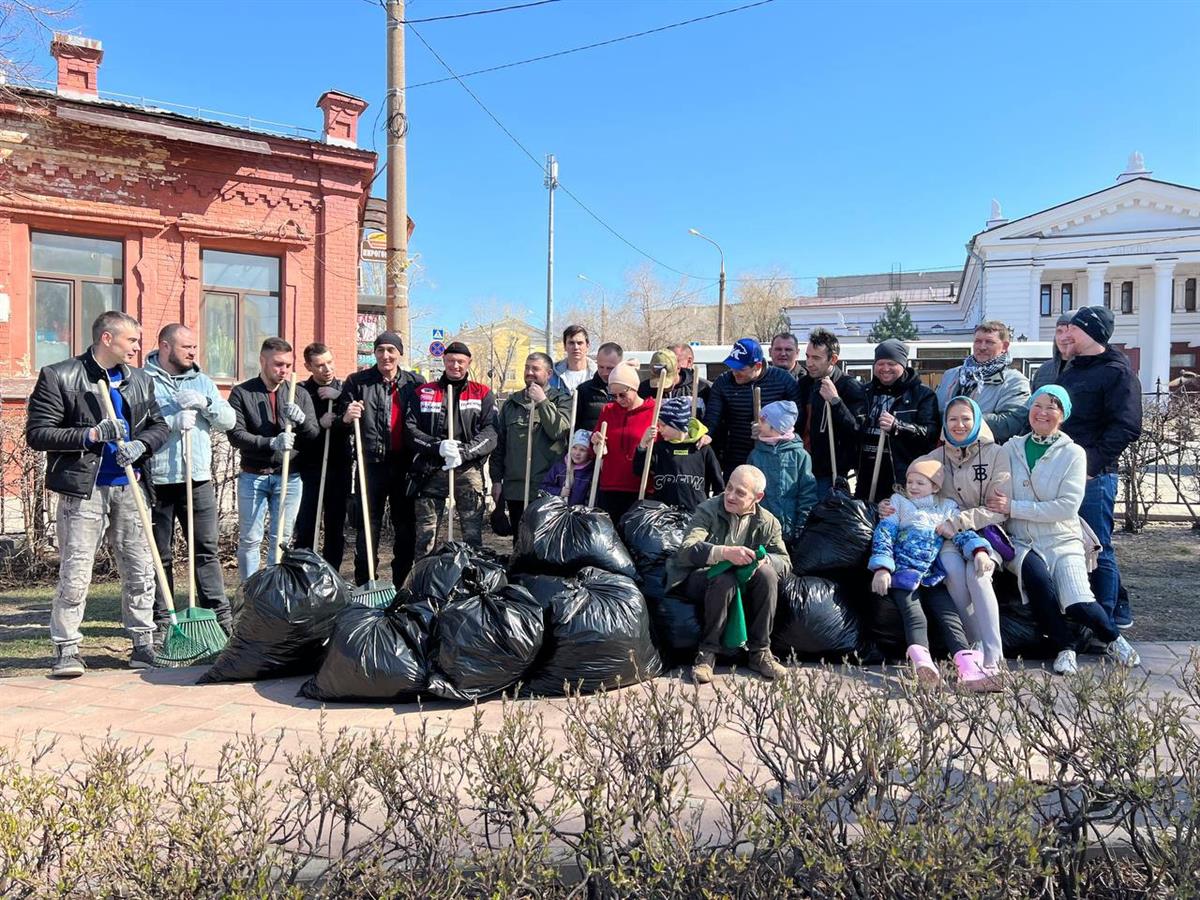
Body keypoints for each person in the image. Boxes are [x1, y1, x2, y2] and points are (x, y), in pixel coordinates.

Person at [26, 310, 170, 677]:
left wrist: (140, 446)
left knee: (140, 570)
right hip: (83, 491)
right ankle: (67, 649)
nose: (138, 347)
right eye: (132, 341)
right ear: (108, 339)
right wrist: (89, 436)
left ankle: (142, 644)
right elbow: (38, 433)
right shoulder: (60, 376)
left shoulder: (139, 380)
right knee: (76, 572)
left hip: (130, 487)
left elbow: (158, 425)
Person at [987, 386, 1140, 674]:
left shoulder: (1073, 453)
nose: (1042, 413)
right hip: (1021, 540)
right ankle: (1064, 647)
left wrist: (1013, 507)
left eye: (1052, 407)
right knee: (1038, 581)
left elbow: (1066, 507)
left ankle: (1113, 638)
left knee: (1077, 601)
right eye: (1037, 405)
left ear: (1063, 415)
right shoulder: (1010, 448)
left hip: (1062, 538)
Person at [888, 397, 1010, 678]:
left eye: (966, 418)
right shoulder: (937, 457)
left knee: (978, 574)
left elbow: (997, 509)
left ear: (977, 421)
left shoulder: (996, 454)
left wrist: (957, 521)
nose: (959, 425)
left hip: (982, 531)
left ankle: (993, 655)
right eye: (953, 419)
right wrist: (893, 502)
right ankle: (972, 646)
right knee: (953, 571)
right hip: (947, 536)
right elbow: (914, 483)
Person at [145, 323, 236, 643]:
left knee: (206, 550)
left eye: (195, 347)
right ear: (165, 347)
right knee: (160, 554)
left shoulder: (203, 381)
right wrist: (171, 422)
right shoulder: (144, 381)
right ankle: (162, 617)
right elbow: (135, 424)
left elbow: (229, 421)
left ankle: (218, 614)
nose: (193, 352)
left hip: (196, 478)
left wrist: (205, 404)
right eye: (186, 347)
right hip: (157, 478)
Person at [868, 459, 994, 689]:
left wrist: (979, 551)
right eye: (909, 482)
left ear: (935, 486)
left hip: (931, 576)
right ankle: (924, 666)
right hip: (904, 575)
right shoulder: (900, 504)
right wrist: (883, 568)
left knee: (949, 616)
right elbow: (884, 534)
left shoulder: (946, 508)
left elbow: (961, 533)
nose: (913, 487)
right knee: (915, 616)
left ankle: (970, 669)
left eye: (920, 483)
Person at [1054, 306, 1142, 628]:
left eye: (1072, 330)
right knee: (1072, 544)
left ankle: (1107, 620)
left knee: (1098, 545)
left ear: (1090, 333)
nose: (1065, 334)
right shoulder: (1074, 370)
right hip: (1063, 472)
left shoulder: (1118, 372)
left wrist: (1089, 466)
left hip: (1095, 477)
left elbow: (1127, 426)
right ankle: (1085, 611)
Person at [666, 465, 792, 684]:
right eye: (729, 487)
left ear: (757, 497)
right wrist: (724, 553)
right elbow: (687, 549)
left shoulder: (768, 522)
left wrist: (764, 560)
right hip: (700, 577)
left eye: (740, 492)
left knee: (768, 574)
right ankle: (707, 654)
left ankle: (760, 652)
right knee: (725, 578)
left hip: (744, 581)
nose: (730, 496)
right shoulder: (709, 509)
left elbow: (785, 561)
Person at [338, 330, 424, 586]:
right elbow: (342, 423)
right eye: (380, 350)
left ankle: (402, 584)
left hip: (405, 466)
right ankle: (366, 583)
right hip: (370, 466)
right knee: (367, 526)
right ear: (374, 353)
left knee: (406, 528)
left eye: (391, 350)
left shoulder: (415, 383)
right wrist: (346, 416)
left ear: (399, 353)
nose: (385, 355)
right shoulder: (358, 382)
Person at [228, 337, 318, 581]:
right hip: (253, 476)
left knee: (282, 539)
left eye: (288, 365)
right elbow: (236, 435)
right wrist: (270, 443)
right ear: (263, 360)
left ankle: (273, 592)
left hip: (290, 478)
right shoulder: (242, 393)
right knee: (250, 538)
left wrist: (301, 421)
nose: (284, 371)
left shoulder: (298, 393)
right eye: (278, 364)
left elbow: (313, 435)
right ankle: (249, 592)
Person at [406, 341, 498, 557]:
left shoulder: (482, 393)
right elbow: (410, 429)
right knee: (425, 537)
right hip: (430, 468)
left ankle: (472, 581)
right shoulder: (424, 392)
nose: (455, 365)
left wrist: (464, 452)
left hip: (468, 469)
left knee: (472, 536)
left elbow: (491, 432)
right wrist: (436, 446)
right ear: (444, 361)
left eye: (460, 361)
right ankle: (423, 580)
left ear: (468, 363)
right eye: (450, 361)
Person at [490, 352, 573, 535]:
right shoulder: (512, 404)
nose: (529, 372)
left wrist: (543, 401)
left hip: (547, 488)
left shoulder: (562, 400)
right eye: (527, 368)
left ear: (549, 373)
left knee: (543, 543)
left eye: (535, 369)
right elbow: (499, 446)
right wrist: (496, 479)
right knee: (520, 542)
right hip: (516, 488)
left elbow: (560, 431)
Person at [855, 339, 940, 503]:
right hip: (866, 473)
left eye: (891, 363)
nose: (885, 369)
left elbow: (931, 433)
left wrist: (898, 426)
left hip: (901, 476)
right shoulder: (864, 392)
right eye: (880, 363)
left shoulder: (923, 395)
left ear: (903, 364)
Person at [704, 337, 801, 479]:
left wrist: (771, 433)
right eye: (732, 366)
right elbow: (713, 417)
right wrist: (707, 434)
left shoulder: (784, 380)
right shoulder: (723, 382)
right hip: (736, 457)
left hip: (773, 455)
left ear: (757, 366)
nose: (735, 372)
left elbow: (797, 419)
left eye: (741, 368)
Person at [293, 342, 351, 570]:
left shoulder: (346, 388)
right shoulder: (300, 392)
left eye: (329, 362)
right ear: (308, 366)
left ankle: (331, 575)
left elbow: (358, 418)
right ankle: (304, 574)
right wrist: (319, 423)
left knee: (336, 525)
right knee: (306, 523)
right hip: (309, 467)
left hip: (339, 466)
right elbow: (297, 428)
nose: (327, 369)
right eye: (319, 365)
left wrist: (340, 398)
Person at [795, 327, 866, 495]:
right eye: (807, 356)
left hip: (830, 472)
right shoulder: (804, 384)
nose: (809, 363)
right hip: (801, 466)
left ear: (833, 359)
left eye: (816, 358)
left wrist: (835, 401)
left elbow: (857, 430)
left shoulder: (849, 387)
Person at [935, 321, 1031, 445]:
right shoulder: (950, 375)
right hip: (947, 452)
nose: (982, 347)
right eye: (978, 341)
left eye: (989, 342)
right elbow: (935, 414)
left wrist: (964, 421)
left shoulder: (1015, 381)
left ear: (1005, 347)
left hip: (986, 455)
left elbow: (1010, 423)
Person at [592, 361, 658, 523]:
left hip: (641, 487)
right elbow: (594, 442)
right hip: (610, 486)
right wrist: (595, 441)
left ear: (634, 388)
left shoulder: (654, 410)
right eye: (613, 396)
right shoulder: (608, 410)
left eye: (622, 394)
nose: (618, 400)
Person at [632, 395, 724, 512]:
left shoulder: (701, 448)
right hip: (664, 515)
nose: (659, 429)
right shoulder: (659, 448)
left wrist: (715, 511)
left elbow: (718, 485)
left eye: (663, 425)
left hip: (696, 514)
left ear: (677, 424)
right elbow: (639, 471)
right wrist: (642, 445)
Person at [747, 400, 818, 542]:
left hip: (789, 525)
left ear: (776, 427)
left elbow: (807, 491)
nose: (758, 423)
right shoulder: (756, 454)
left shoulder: (799, 455)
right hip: (762, 527)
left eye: (763, 420)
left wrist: (802, 523)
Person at [638, 346, 709, 418]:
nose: (662, 386)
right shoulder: (644, 389)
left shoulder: (701, 388)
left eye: (667, 381)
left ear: (678, 368)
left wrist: (699, 428)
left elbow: (712, 420)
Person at [574, 341, 622, 432]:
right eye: (601, 367)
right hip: (590, 444)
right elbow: (575, 425)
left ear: (620, 365)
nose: (605, 373)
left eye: (610, 368)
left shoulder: (629, 391)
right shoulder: (583, 390)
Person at [541, 429, 594, 507]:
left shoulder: (590, 472)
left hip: (581, 515)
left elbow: (593, 497)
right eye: (574, 448)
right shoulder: (559, 468)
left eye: (582, 450)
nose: (577, 453)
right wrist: (559, 492)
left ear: (589, 453)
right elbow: (544, 487)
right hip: (559, 512)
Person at [1031, 312, 1075, 391]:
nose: (1063, 338)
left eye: (1069, 332)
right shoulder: (1043, 370)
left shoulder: (1090, 370)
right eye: (1059, 331)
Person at [550, 324, 596, 393]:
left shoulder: (597, 374)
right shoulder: (552, 374)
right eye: (571, 343)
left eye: (580, 343)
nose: (576, 347)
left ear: (587, 346)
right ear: (565, 346)